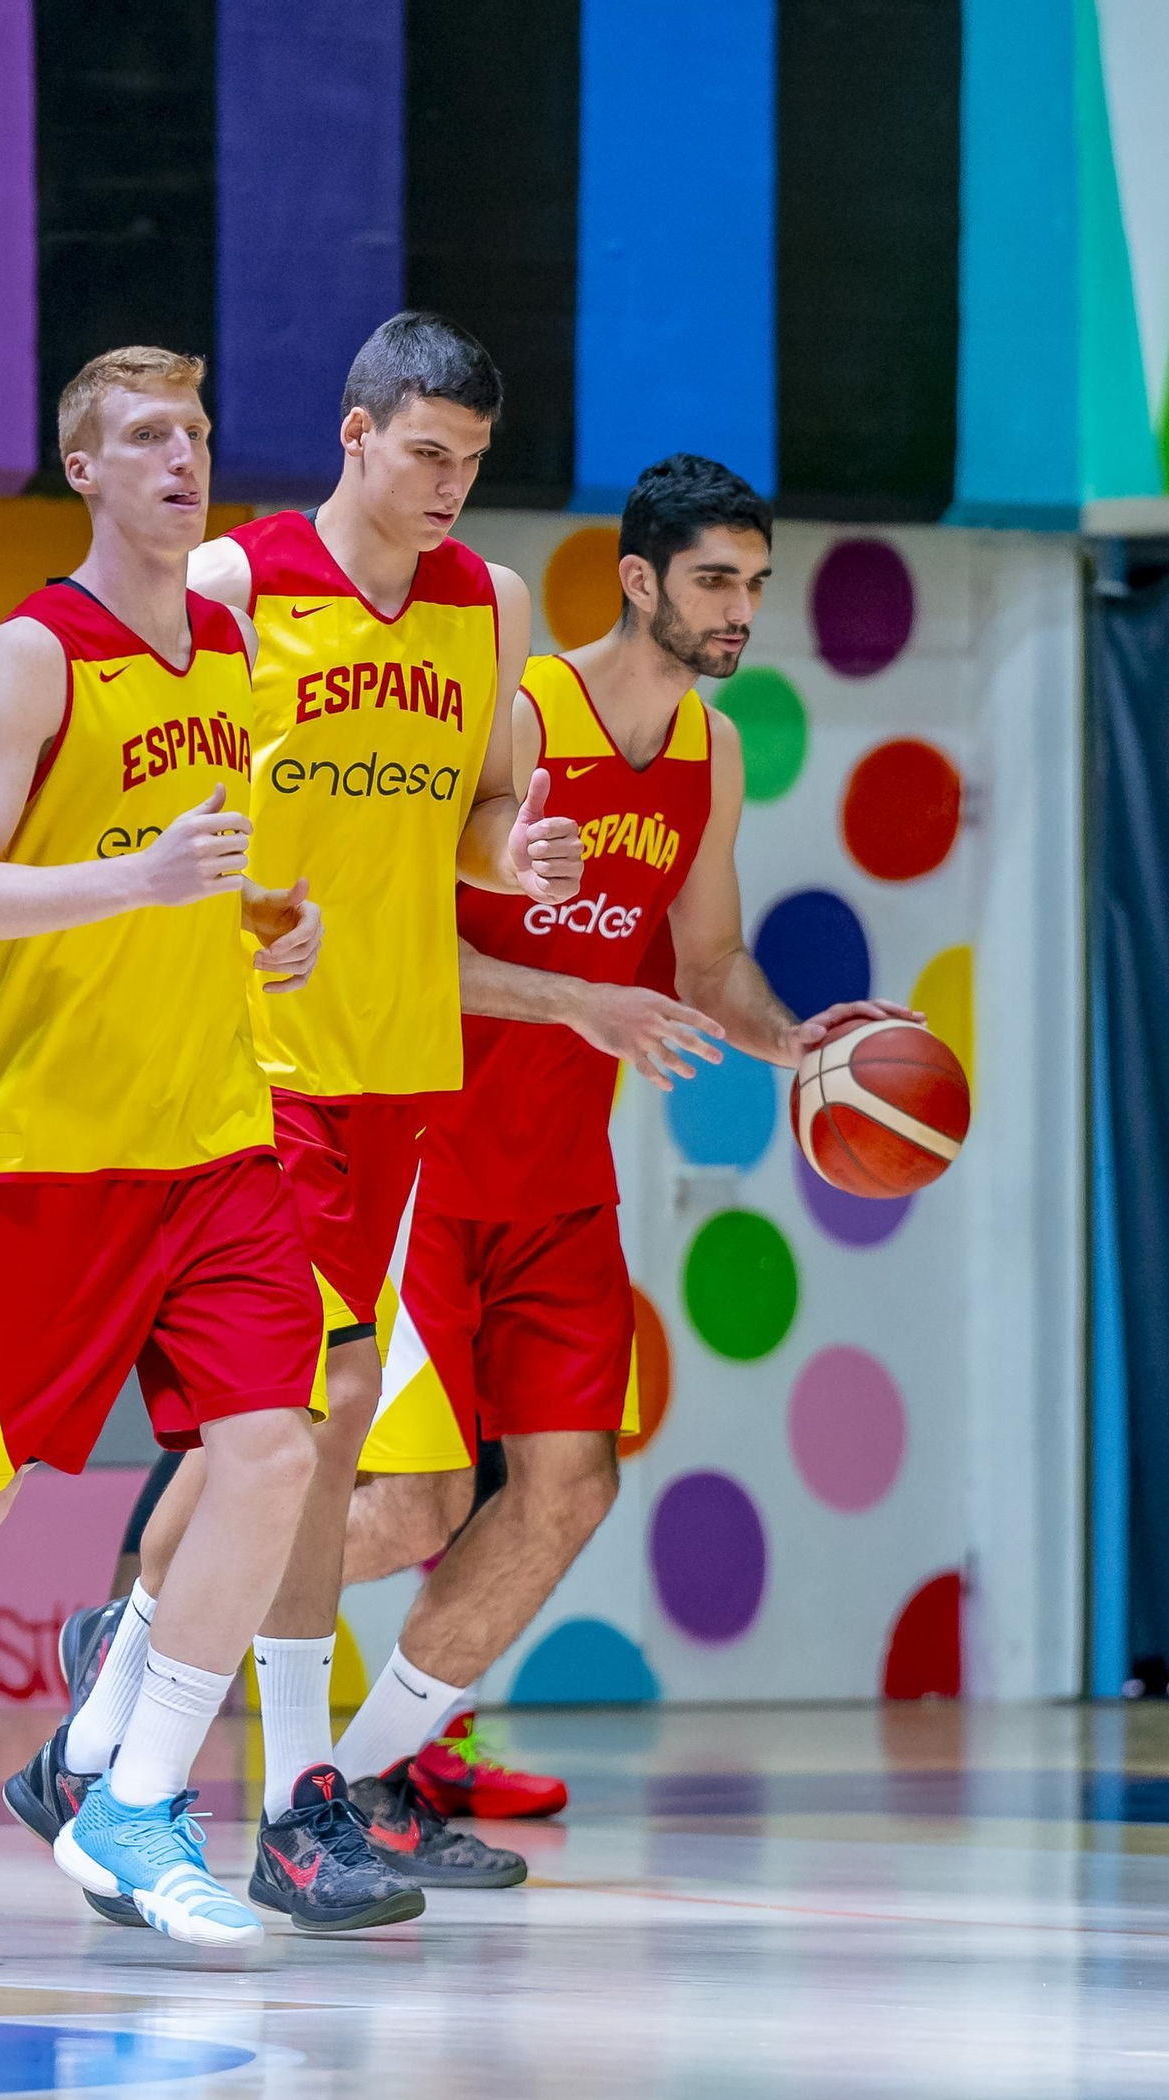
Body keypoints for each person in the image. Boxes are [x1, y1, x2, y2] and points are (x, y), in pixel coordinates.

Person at [29, 313, 585, 1925]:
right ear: (352, 434)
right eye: (426, 456)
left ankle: (106, 1721)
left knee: (285, 1441)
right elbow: (135, 785)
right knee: (301, 1436)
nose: (450, 492)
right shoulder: (237, 585)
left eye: (473, 466)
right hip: (254, 1068)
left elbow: (484, 819)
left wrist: (520, 864)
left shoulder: (486, 606)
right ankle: (283, 1802)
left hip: (405, 1066)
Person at [0, 344, 352, 1962]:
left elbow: (192, 879)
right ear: (85, 472)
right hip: (43, 1155)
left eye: (191, 430)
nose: (180, 456)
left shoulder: (237, 650)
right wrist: (146, 884)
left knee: (275, 1448)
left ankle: (134, 1800)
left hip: (215, 1141)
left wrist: (267, 923)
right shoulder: (30, 657)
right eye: (142, 436)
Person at [330, 455, 926, 1811]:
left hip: (557, 1185)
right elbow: (396, 948)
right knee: (413, 1507)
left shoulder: (711, 756)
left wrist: (805, 1046)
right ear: (641, 579)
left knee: (569, 1491)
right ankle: (142, 1634)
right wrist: (582, 1002)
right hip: (425, 1165)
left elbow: (708, 964)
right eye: (719, 580)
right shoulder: (521, 716)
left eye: (758, 586)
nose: (741, 611)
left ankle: (374, 1777)